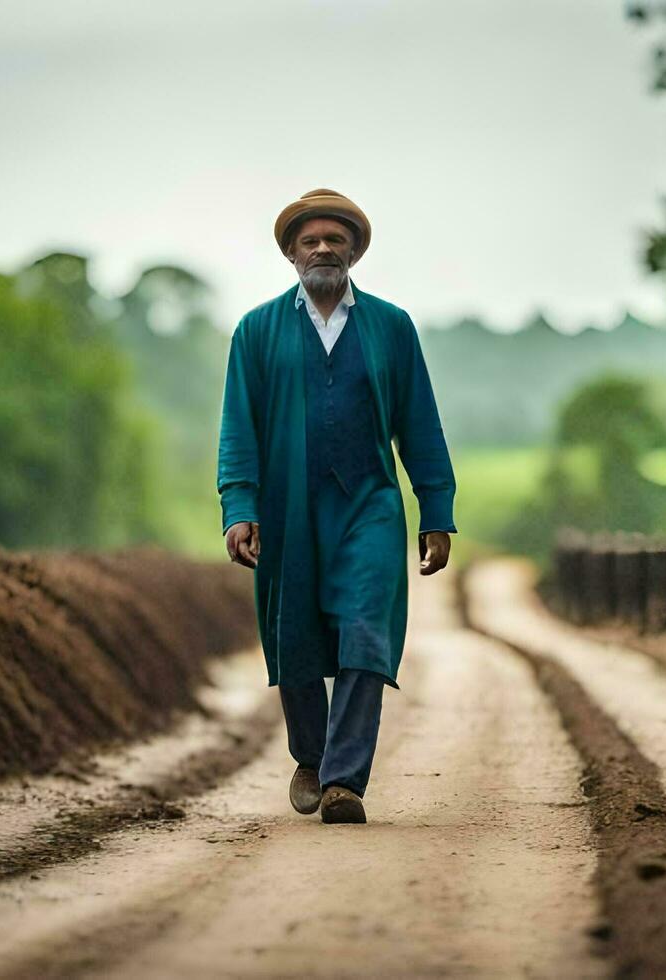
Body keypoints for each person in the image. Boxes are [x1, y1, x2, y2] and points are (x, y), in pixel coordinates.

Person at [217, 188, 456, 824]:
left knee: (365, 630)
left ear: (353, 250)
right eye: (310, 240)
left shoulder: (391, 327)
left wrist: (436, 509)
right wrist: (239, 506)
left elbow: (420, 424)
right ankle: (312, 754)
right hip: (287, 506)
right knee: (292, 631)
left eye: (335, 239)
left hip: (370, 504)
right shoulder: (257, 330)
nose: (323, 248)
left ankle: (343, 780)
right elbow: (237, 428)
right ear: (292, 253)